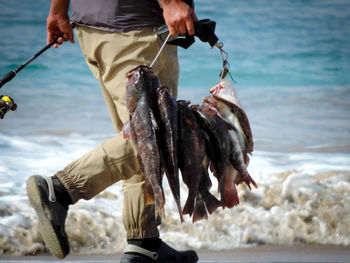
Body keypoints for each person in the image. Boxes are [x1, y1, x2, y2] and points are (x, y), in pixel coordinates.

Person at [26, 0, 199, 262]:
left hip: (94, 30)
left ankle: (144, 243)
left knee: (136, 133)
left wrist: (58, 10)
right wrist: (171, 2)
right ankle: (60, 189)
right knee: (156, 134)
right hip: (135, 31)